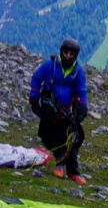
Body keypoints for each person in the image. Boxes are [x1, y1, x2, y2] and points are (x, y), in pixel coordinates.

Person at [30, 38, 89, 183]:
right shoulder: (50, 65)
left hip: (65, 112)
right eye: (65, 52)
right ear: (61, 52)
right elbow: (36, 79)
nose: (68, 56)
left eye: (71, 54)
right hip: (48, 109)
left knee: (74, 136)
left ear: (76, 55)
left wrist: (82, 108)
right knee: (47, 135)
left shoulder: (77, 72)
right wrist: (34, 98)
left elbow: (81, 91)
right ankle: (61, 165)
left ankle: (70, 170)